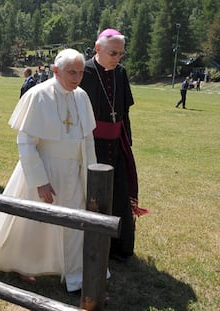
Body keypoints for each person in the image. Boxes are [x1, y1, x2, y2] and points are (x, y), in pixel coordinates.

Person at [0, 49, 97, 293]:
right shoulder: (38, 95)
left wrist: (90, 172)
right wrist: (40, 180)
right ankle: (25, 264)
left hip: (74, 170)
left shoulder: (82, 96)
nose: (77, 78)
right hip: (44, 168)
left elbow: (88, 139)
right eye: (71, 72)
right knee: (33, 222)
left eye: (81, 72)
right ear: (55, 70)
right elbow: (26, 143)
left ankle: (75, 272)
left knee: (74, 221)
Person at [80, 28, 148, 262]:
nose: (117, 58)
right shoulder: (85, 71)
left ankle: (120, 247)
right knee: (93, 195)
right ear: (98, 48)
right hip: (92, 144)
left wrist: (126, 140)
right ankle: (95, 245)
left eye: (121, 54)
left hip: (116, 145)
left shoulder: (121, 73)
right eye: (113, 53)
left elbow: (124, 110)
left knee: (119, 193)